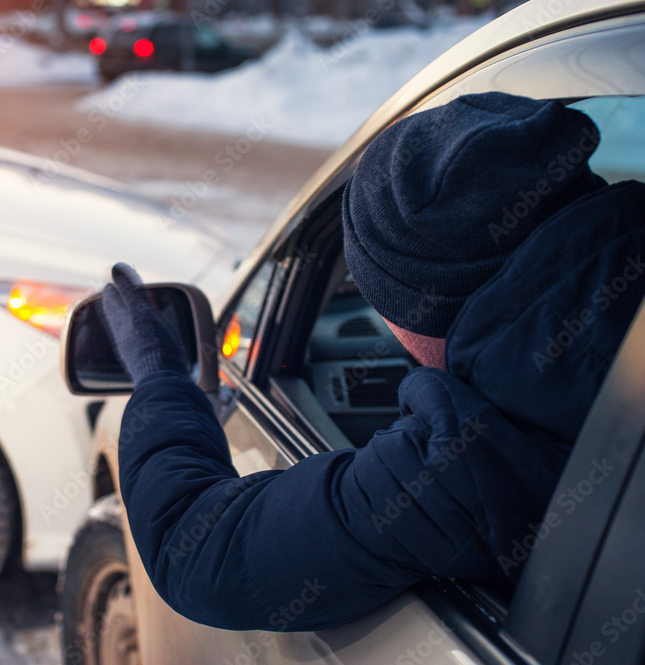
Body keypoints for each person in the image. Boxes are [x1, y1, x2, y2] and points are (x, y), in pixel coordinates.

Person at [99, 92, 645, 632]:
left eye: (369, 287)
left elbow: (194, 551)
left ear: (414, 308)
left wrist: (159, 375)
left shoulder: (464, 460)